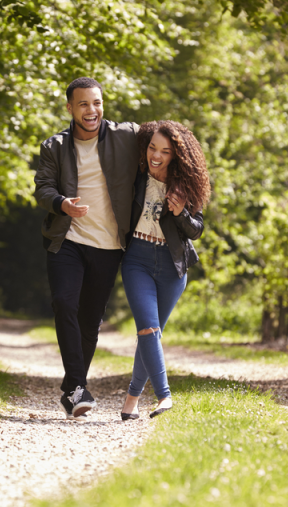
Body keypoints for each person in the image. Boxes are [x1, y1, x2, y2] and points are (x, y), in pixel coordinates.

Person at [34, 77, 139, 421]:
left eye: (96, 103)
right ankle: (78, 388)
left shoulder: (125, 136)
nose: (91, 111)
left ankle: (71, 389)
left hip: (109, 246)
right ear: (70, 108)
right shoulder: (55, 147)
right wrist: (62, 204)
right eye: (83, 104)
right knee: (64, 302)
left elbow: (162, 138)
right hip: (67, 240)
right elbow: (43, 188)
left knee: (90, 320)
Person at [119, 120, 211, 421]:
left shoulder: (184, 187)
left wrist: (181, 211)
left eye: (165, 151)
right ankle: (164, 396)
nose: (155, 155)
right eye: (152, 148)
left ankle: (130, 402)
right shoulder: (136, 178)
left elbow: (196, 229)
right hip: (137, 260)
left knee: (152, 335)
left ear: (176, 155)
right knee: (147, 328)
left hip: (172, 267)